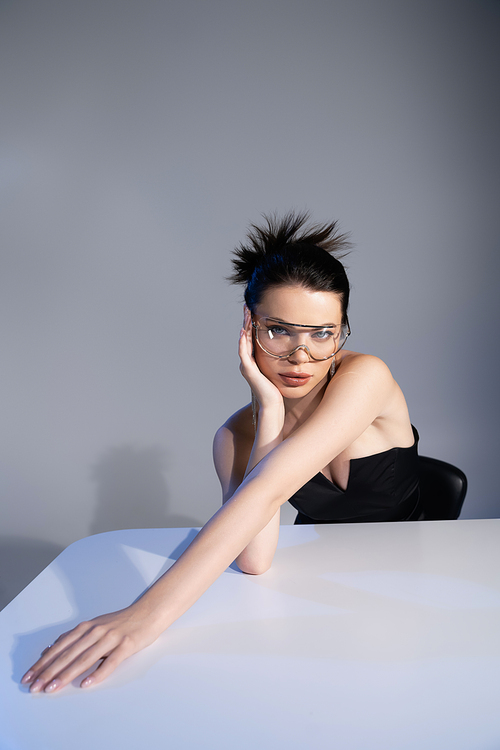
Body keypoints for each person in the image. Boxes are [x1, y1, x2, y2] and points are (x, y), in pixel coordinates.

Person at [21, 211, 420, 694]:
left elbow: (267, 490)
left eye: (322, 334)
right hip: (320, 573)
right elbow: (253, 560)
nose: (301, 356)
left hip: (418, 566)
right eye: (279, 330)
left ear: (341, 331)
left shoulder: (365, 377)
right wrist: (268, 412)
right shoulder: (235, 436)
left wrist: (144, 616)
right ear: (249, 325)